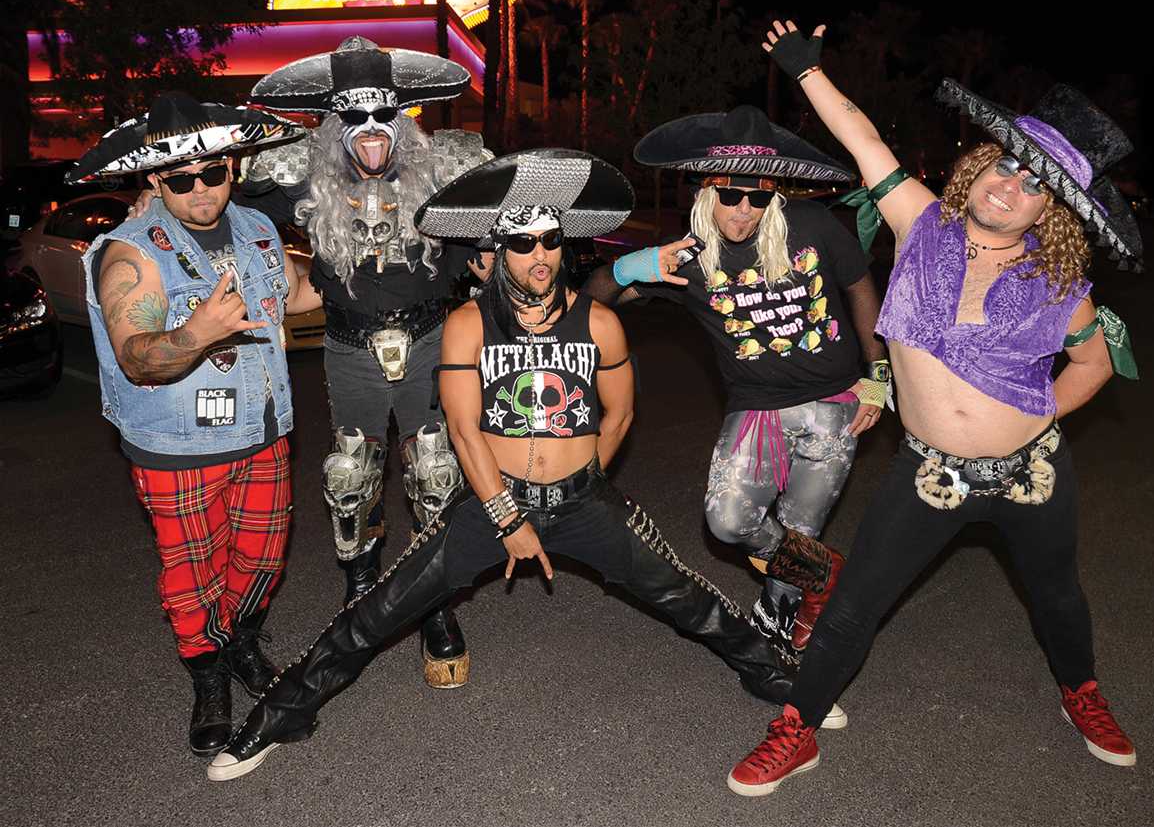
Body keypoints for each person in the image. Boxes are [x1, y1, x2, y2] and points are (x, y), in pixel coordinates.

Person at [204, 148, 844, 782]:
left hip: (582, 501)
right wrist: (508, 516)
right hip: (493, 503)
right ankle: (281, 715)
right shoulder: (466, 324)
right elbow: (462, 427)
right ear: (495, 253)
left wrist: (581, 479)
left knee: (689, 600)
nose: (539, 256)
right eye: (523, 244)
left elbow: (618, 416)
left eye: (550, 240)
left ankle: (787, 683)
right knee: (376, 613)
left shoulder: (598, 324)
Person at [725, 21, 1143, 797]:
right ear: (980, 167)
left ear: (1048, 212)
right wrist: (807, 72)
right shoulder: (921, 224)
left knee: (1057, 594)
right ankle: (799, 728)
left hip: (1032, 475)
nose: (1011, 186)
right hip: (929, 475)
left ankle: (1080, 692)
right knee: (854, 608)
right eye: (1005, 167)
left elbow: (1095, 361)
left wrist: (1041, 414)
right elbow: (864, 139)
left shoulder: (1059, 285)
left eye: (1035, 186)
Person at [585, 105, 890, 657]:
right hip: (758, 408)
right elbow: (590, 302)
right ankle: (827, 578)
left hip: (836, 405)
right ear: (708, 190)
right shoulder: (688, 259)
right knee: (728, 522)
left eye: (759, 197)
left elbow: (860, 286)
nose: (744, 210)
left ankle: (781, 619)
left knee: (799, 529)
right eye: (731, 196)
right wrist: (635, 265)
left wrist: (879, 376)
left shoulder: (814, 226)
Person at [72, 92, 322, 756]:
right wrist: (195, 332)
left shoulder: (259, 230)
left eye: (213, 171)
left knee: (263, 559)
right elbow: (138, 356)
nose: (200, 188)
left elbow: (299, 295)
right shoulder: (129, 253)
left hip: (265, 431)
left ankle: (237, 636)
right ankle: (209, 677)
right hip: (176, 444)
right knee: (192, 575)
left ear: (232, 168)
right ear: (156, 180)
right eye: (181, 178)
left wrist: (371, 261)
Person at [242, 36, 495, 686]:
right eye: (354, 117)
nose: (372, 130)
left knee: (437, 477)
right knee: (350, 479)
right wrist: (155, 204)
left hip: (431, 344)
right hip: (350, 347)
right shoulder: (299, 175)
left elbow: (504, 218)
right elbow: (221, 203)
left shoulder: (444, 169)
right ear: (334, 126)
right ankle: (361, 600)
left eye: (385, 114)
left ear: (403, 117)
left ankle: (434, 610)